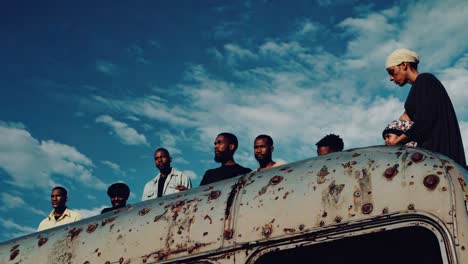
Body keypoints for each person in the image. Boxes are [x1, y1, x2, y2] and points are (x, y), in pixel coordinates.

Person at [385, 48, 466, 167]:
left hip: (440, 155)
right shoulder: (419, 87)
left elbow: (424, 121)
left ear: (404, 65)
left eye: (392, 72)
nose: (391, 78)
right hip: (432, 155)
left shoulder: (425, 80)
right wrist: (391, 135)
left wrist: (398, 141)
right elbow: (404, 119)